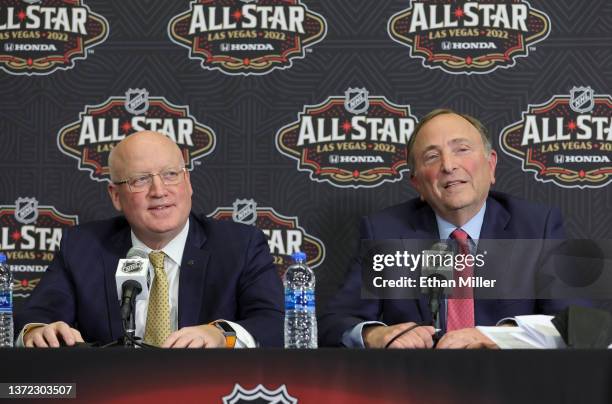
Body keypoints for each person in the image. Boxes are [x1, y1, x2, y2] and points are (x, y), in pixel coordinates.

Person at [318, 109, 572, 349]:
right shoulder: (385, 232)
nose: (448, 166)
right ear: (417, 183)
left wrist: (499, 336)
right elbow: (335, 323)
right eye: (432, 156)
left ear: (491, 164)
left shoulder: (537, 226)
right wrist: (376, 334)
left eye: (462, 149)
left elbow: (578, 323)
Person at [16, 131, 283, 348]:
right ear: (116, 196)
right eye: (140, 180)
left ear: (188, 182)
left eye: (170, 174)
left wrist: (222, 335)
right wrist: (39, 331)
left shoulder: (239, 246)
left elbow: (274, 324)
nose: (159, 191)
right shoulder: (82, 248)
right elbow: (36, 317)